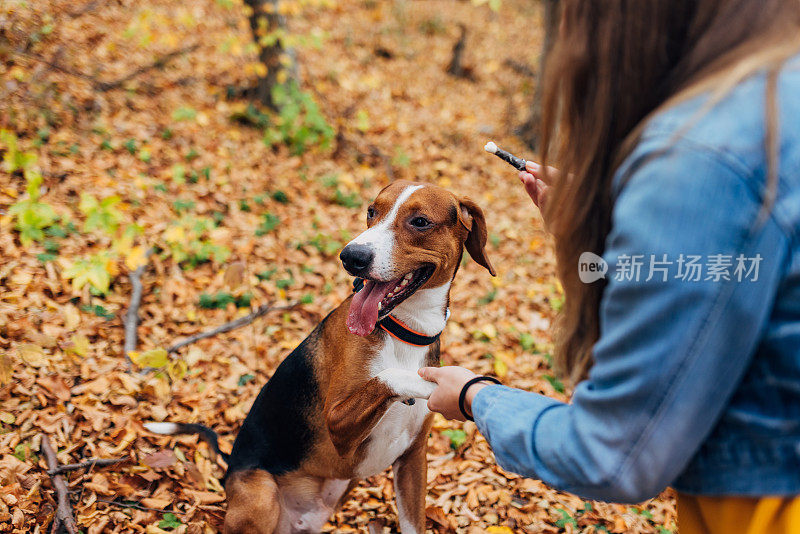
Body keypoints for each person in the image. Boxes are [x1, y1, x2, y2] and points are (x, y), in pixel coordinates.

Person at [418, 1, 800, 532]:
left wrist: (474, 394)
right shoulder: (778, 97)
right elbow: (727, 278)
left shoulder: (703, 155)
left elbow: (614, 454)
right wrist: (593, 235)